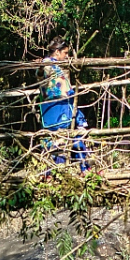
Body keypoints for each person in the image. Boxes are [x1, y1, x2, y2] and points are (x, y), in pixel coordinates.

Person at [39, 39, 91, 172]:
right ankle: (83, 169)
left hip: (50, 115)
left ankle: (51, 172)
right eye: (65, 53)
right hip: (60, 113)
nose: (67, 56)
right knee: (72, 137)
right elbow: (66, 94)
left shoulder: (48, 67)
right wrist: (80, 120)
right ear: (57, 52)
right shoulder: (52, 68)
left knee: (55, 141)